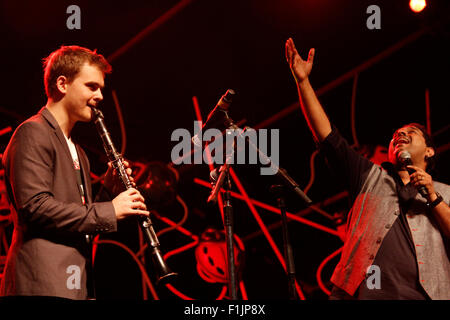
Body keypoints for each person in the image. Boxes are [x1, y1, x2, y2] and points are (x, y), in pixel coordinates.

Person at [285, 38, 450, 299]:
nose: (400, 134)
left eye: (411, 133)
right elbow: (328, 137)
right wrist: (303, 83)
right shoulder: (368, 176)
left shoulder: (445, 193)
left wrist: (433, 196)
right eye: (396, 134)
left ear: (430, 151)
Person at [0, 45, 150, 300]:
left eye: (101, 87)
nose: (100, 95)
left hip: (73, 285)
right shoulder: (33, 132)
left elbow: (79, 219)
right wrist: (110, 210)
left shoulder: (78, 151)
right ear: (62, 84)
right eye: (92, 86)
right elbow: (35, 207)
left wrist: (107, 191)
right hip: (40, 284)